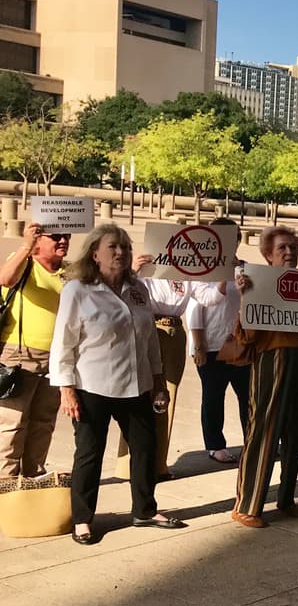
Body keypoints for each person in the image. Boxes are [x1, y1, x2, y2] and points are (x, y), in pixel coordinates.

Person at [50, 224, 183, 545]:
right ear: (95, 253)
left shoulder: (138, 290)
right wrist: (65, 388)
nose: (121, 252)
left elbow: (150, 339)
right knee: (89, 454)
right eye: (113, 247)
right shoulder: (77, 290)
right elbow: (63, 342)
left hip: (136, 386)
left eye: (125, 246)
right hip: (91, 387)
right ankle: (82, 519)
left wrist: (158, 381)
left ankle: (145, 510)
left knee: (145, 448)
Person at [229, 227, 298, 529]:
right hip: (272, 360)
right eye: (282, 248)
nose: (289, 252)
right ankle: (247, 505)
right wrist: (246, 297)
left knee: (294, 431)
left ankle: (286, 497)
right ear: (267, 255)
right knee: (263, 429)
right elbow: (246, 334)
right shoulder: (256, 282)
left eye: (293, 247)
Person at [0, 222, 68, 477]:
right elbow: (5, 279)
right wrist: (26, 245)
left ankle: (32, 481)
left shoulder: (69, 272)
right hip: (20, 355)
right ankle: (5, 487)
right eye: (56, 237)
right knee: (12, 424)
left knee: (43, 424)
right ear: (40, 239)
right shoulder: (25, 263)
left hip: (57, 358)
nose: (63, 241)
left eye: (67, 236)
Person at [116, 267, 193, 481]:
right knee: (139, 394)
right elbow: (120, 292)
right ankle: (128, 465)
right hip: (149, 327)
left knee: (166, 398)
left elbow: (209, 297)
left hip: (174, 330)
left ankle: (159, 464)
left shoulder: (188, 270)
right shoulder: (147, 269)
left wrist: (221, 279)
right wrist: (135, 271)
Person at [187, 218, 250, 464]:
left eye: (232, 238)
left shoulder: (246, 268)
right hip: (210, 344)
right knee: (213, 396)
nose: (228, 243)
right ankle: (214, 444)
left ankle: (252, 439)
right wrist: (199, 344)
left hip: (239, 343)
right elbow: (195, 308)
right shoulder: (201, 268)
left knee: (247, 395)